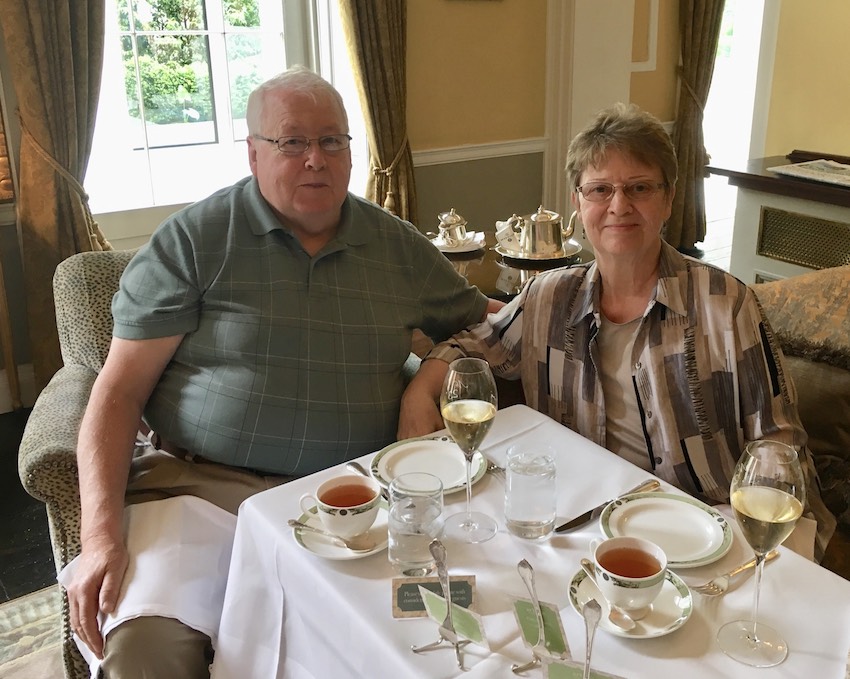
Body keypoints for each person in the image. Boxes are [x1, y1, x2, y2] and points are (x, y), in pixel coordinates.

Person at [66, 66, 495, 677]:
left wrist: (434, 372)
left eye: (333, 141)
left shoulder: (397, 247)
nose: (315, 159)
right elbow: (117, 391)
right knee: (147, 659)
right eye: (292, 142)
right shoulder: (193, 243)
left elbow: (489, 325)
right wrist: (100, 536)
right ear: (253, 153)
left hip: (357, 502)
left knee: (427, 649)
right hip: (203, 497)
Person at [401, 102, 836, 560]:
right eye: (600, 189)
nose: (618, 206)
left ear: (668, 200)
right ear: (577, 203)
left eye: (639, 188)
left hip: (707, 524)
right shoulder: (549, 296)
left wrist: (749, 543)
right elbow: (474, 344)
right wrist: (419, 390)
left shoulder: (724, 303)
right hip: (586, 520)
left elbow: (778, 439)